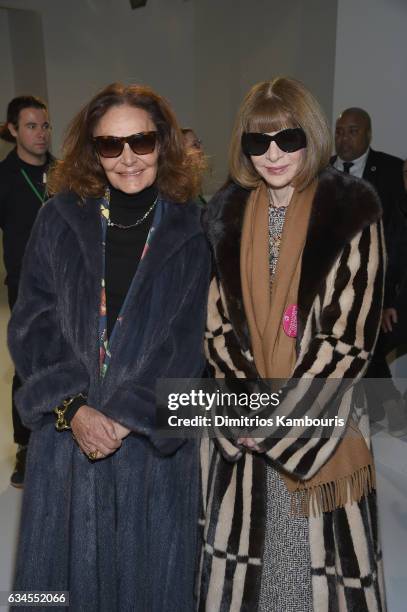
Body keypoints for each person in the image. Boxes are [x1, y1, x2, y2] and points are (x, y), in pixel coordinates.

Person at [8, 83, 210, 611]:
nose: (127, 158)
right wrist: (74, 409)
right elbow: (32, 323)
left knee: (147, 586)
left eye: (140, 142)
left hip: (149, 445)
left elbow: (192, 344)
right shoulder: (58, 218)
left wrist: (123, 418)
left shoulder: (193, 230)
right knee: (57, 586)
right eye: (109, 145)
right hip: (66, 438)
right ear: (91, 152)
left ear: (163, 144)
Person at [199, 78, 386, 611]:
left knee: (312, 582)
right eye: (259, 142)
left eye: (287, 138)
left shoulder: (350, 209)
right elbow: (216, 328)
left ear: (313, 135)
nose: (273, 154)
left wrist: (279, 424)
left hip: (319, 427)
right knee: (250, 581)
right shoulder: (225, 214)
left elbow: (346, 337)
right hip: (244, 432)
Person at [333, 107, 407, 433]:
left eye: (352, 131)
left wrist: (389, 296)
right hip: (329, 282)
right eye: (339, 131)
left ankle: (388, 405)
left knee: (364, 340)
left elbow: (397, 237)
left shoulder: (391, 171)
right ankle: (375, 408)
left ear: (367, 134)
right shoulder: (321, 171)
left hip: (374, 281)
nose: (344, 138)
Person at [0, 95, 53, 487]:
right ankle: (28, 445)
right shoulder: (3, 177)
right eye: (31, 126)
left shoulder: (67, 172)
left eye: (45, 125)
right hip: (25, 287)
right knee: (29, 366)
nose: (40, 133)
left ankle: (64, 437)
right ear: (13, 130)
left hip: (70, 285)